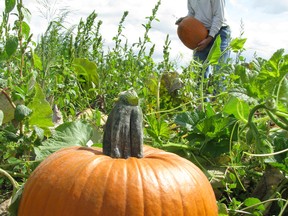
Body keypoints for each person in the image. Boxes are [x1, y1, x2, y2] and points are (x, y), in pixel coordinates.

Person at [176, 0, 231, 78]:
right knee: (198, 73)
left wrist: (209, 38)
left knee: (219, 74)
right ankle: (201, 89)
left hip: (220, 31)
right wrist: (185, 20)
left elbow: (219, 16)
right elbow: (192, 13)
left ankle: (218, 90)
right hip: (201, 32)